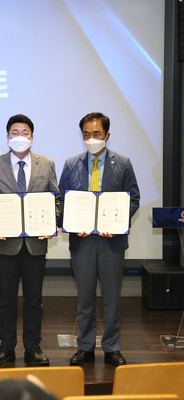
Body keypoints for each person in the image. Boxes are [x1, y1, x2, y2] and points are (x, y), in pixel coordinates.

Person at [59, 112, 140, 367]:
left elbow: (133, 199)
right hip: (82, 242)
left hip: (111, 242)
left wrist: (116, 224)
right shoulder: (71, 164)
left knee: (112, 298)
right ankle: (85, 346)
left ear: (107, 135)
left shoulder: (123, 163)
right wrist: (72, 224)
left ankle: (112, 347)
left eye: (96, 134)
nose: (91, 139)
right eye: (86, 134)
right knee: (85, 299)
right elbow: (62, 200)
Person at [0, 114, 60, 365]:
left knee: (34, 299)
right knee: (6, 299)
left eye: (24, 132)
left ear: (32, 136)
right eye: (14, 133)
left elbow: (55, 199)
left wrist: (53, 221)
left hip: (35, 243)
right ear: (7, 137)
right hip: (6, 243)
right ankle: (6, 346)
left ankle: (33, 346)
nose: (20, 137)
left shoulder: (46, 164)